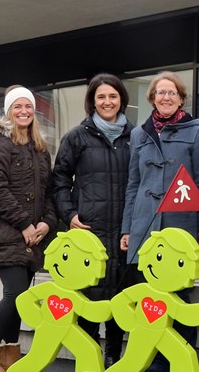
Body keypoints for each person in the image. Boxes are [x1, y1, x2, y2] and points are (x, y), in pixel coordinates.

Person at [121, 71, 199, 372]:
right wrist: (127, 229)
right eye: (160, 93)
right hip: (145, 224)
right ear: (152, 98)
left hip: (181, 224)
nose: (166, 97)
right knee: (149, 294)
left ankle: (180, 359)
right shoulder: (139, 134)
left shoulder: (196, 131)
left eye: (172, 93)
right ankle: (153, 360)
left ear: (181, 98)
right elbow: (133, 185)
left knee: (180, 295)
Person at [0, 85, 58, 372]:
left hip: (33, 238)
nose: (24, 111)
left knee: (22, 299)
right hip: (7, 235)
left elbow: (48, 192)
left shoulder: (40, 150)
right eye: (17, 107)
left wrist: (47, 222)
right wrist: (24, 224)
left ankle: (9, 361)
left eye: (28, 106)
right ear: (8, 111)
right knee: (16, 295)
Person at [50, 73, 135, 367]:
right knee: (89, 297)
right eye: (101, 97)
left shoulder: (135, 137)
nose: (107, 102)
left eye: (112, 96)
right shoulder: (77, 137)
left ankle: (113, 356)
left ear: (121, 99)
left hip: (125, 231)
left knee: (120, 296)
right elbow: (59, 179)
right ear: (92, 101)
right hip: (89, 230)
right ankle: (87, 359)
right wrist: (70, 215)